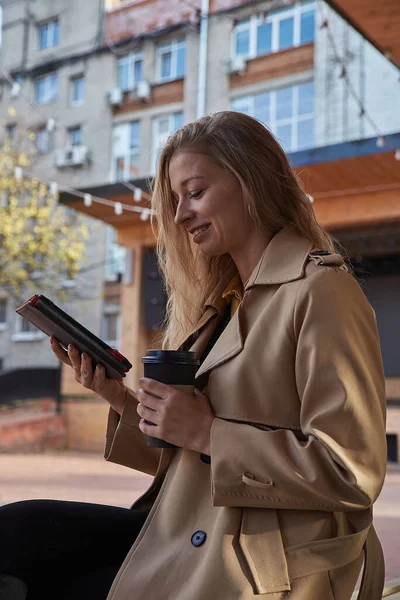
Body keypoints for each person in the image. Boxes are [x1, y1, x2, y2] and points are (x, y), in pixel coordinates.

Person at [0, 111, 387, 600]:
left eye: (196, 192)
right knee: (17, 533)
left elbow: (353, 474)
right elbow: (191, 458)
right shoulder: (221, 304)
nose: (180, 215)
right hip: (192, 532)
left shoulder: (321, 291)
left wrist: (207, 432)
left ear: (252, 182)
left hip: (257, 563)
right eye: (176, 199)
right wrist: (119, 398)